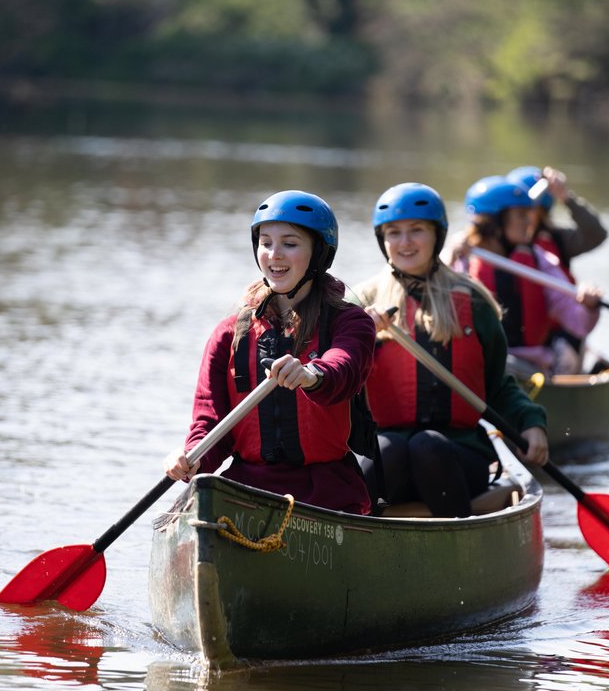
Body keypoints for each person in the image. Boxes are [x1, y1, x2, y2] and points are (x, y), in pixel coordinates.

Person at [163, 190, 377, 514]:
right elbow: (210, 420)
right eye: (266, 243)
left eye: (290, 243)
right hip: (247, 489)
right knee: (195, 499)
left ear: (318, 253)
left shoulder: (351, 322)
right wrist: (190, 457)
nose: (274, 255)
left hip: (326, 493)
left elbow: (344, 366)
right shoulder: (228, 334)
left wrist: (311, 375)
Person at [354, 182, 548, 518]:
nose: (405, 242)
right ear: (382, 239)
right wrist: (358, 336)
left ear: (437, 236)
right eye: (394, 233)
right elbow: (330, 377)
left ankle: (461, 545)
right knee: (393, 448)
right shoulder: (359, 304)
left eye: (417, 230)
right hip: (389, 457)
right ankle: (353, 535)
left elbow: (497, 385)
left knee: (426, 444)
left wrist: (530, 423)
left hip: (458, 455)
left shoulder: (472, 300)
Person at [446, 175, 602, 376]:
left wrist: (589, 306)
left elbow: (579, 323)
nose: (530, 221)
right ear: (495, 222)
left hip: (530, 368)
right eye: (521, 214)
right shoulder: (459, 258)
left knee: (508, 367)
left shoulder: (539, 261)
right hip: (477, 363)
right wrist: (447, 257)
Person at [505, 165, 607, 281]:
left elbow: (597, 234)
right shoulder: (500, 241)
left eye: (525, 211)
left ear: (540, 212)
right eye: (513, 212)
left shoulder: (557, 240)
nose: (523, 219)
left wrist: (565, 196)